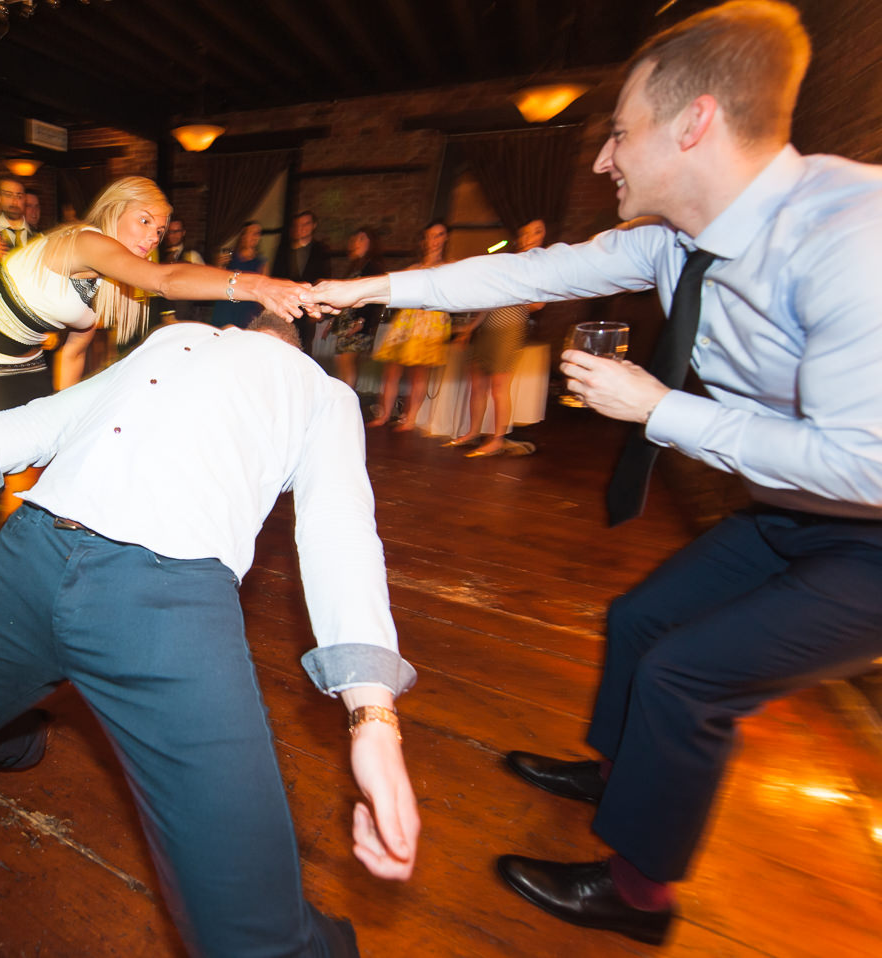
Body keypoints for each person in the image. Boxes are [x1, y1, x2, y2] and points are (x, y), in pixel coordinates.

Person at [307, 1, 882, 944]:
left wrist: (658, 408)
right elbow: (510, 277)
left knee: (688, 677)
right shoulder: (672, 240)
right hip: (789, 507)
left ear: (693, 123)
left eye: (619, 134)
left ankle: (641, 897)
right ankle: (621, 775)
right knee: (641, 618)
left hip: (869, 526)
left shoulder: (853, 233)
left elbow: (869, 463)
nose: (603, 159)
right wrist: (359, 288)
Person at [0, 313, 420, 957]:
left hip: (170, 600)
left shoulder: (320, 392)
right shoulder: (177, 338)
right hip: (31, 551)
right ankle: (22, 739)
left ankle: (322, 947)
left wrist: (373, 718)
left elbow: (340, 535)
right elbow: (46, 421)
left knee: (247, 943)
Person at [0, 177, 308, 516]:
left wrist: (65, 418)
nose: (153, 237)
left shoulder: (103, 284)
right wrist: (259, 286)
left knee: (44, 459)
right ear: (116, 208)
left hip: (29, 361)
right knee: (17, 464)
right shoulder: (85, 242)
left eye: (160, 231)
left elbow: (74, 351)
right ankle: (16, 563)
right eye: (144, 221)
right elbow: (164, 279)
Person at [450, 218, 547, 457]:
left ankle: (497, 439)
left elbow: (538, 304)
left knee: (499, 387)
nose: (529, 237)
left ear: (542, 237)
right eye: (525, 233)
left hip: (509, 329)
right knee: (477, 385)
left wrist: (516, 289)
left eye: (535, 232)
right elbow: (490, 302)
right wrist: (470, 328)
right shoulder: (509, 262)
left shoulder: (542, 266)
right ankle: (472, 432)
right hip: (488, 329)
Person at [368, 221, 450, 431]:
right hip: (407, 320)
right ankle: (384, 414)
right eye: (430, 236)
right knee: (391, 371)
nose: (433, 241)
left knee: (418, 374)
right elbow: (392, 284)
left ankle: (410, 418)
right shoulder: (415, 268)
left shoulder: (450, 267)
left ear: (445, 238)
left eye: (439, 235)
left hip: (430, 321)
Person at [325, 227, 386, 389]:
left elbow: (373, 298)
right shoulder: (355, 266)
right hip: (346, 323)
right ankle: (343, 396)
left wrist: (362, 321)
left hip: (358, 323)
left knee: (348, 361)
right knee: (340, 361)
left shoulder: (373, 267)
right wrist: (333, 321)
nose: (357, 243)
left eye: (362, 239)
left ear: (370, 243)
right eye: (356, 239)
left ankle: (348, 398)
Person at [271, 210, 332, 355]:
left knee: (303, 346)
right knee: (281, 342)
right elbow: (275, 277)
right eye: (298, 225)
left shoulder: (319, 250)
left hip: (308, 306)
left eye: (306, 224)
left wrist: (320, 308)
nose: (301, 228)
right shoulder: (284, 249)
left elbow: (323, 279)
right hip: (286, 303)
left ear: (313, 226)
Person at [208, 219, 268, 329]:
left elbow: (264, 287)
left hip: (247, 308)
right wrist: (218, 265)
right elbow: (216, 279)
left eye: (258, 233)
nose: (255, 236)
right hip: (227, 305)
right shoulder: (229, 256)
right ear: (243, 236)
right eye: (252, 233)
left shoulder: (261, 261)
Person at [154, 216, 205, 324]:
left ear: (183, 233)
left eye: (176, 231)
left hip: (184, 316)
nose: (172, 235)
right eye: (169, 231)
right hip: (159, 315)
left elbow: (203, 286)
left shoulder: (191, 256)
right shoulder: (157, 255)